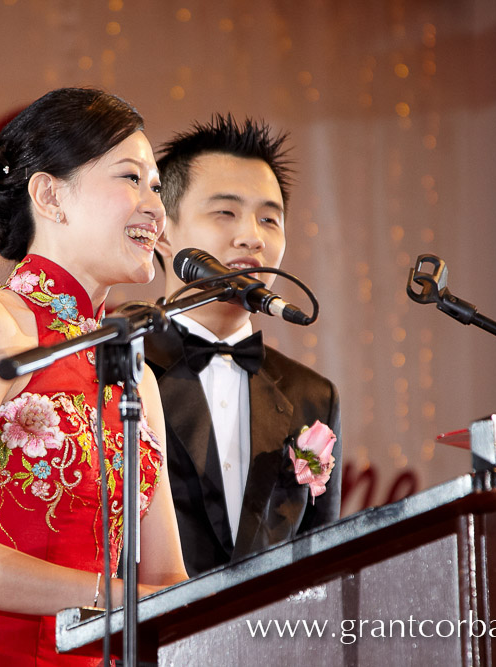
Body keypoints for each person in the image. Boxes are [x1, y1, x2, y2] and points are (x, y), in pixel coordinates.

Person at [0, 88, 188, 666]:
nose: (156, 207)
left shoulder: (136, 375)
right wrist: (112, 598)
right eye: (131, 179)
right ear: (50, 195)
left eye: (157, 187)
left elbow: (165, 577)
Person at [145, 115, 342, 577]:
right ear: (163, 231)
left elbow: (319, 561)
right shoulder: (117, 361)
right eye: (225, 213)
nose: (252, 236)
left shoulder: (312, 394)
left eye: (269, 219)